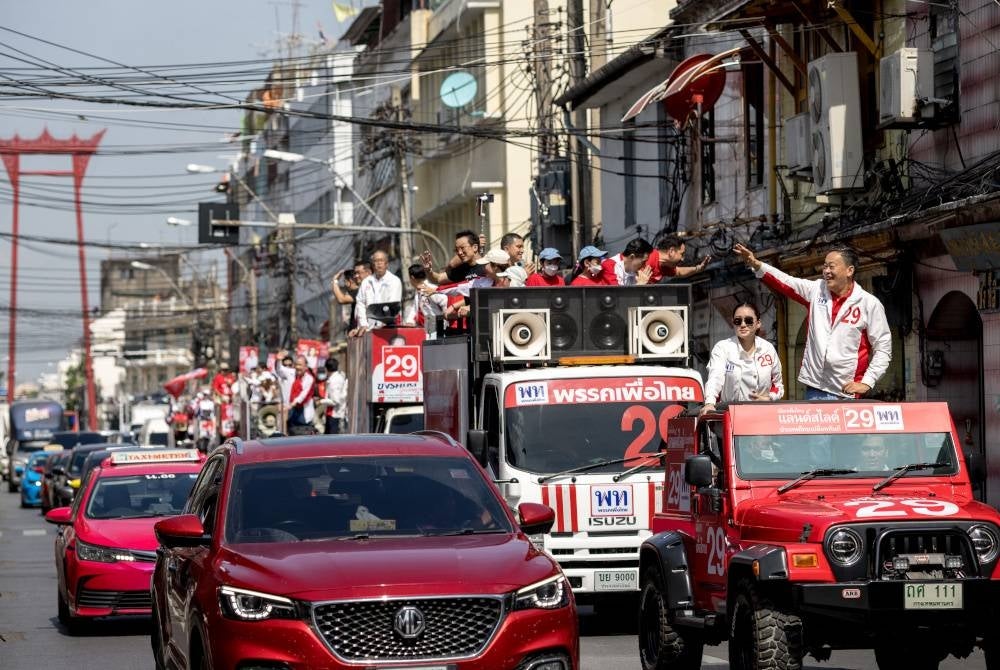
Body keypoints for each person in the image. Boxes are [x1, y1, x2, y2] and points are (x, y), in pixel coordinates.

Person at [733, 243, 892, 399]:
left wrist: (867, 382)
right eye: (825, 267)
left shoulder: (869, 304)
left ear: (849, 270)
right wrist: (756, 264)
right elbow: (786, 282)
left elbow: (883, 348)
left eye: (832, 266)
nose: (826, 271)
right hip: (815, 389)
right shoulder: (816, 290)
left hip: (847, 394)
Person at [701, 303, 784, 414]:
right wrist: (709, 403)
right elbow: (715, 379)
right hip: (730, 415)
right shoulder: (723, 348)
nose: (743, 325)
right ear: (733, 323)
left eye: (748, 320)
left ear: (758, 323)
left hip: (762, 415)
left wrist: (770, 398)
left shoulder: (768, 349)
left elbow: (778, 385)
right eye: (738, 321)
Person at [353, 250, 403, 333]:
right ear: (373, 264)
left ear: (387, 264)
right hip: (369, 329)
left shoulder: (394, 281)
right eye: (376, 261)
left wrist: (383, 322)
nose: (379, 263)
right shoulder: (366, 282)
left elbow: (393, 304)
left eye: (381, 260)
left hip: (388, 328)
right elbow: (360, 303)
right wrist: (363, 324)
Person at [422, 230, 486, 284]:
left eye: (462, 248)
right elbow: (439, 278)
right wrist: (428, 270)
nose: (459, 252)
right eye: (457, 250)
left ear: (475, 247)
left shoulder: (489, 266)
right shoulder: (462, 269)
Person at [645, 235, 711, 283]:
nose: (682, 259)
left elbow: (679, 272)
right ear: (671, 251)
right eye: (681, 254)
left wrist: (698, 269)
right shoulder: (649, 259)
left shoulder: (664, 266)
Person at [287, 355, 316, 434]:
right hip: (292, 413)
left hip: (303, 415)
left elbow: (303, 395)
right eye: (296, 364)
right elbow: (279, 370)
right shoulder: (292, 375)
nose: (297, 367)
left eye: (300, 365)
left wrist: (293, 404)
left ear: (306, 366)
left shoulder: (309, 378)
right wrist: (278, 361)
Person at [322, 358, 347, 435]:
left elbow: (336, 401)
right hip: (332, 413)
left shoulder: (335, 380)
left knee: (331, 441)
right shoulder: (336, 378)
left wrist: (320, 401)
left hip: (335, 415)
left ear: (326, 368)